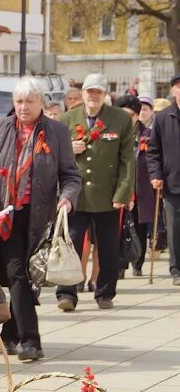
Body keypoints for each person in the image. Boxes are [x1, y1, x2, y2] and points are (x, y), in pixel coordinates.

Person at [0, 77, 81, 361]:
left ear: (41, 103)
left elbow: (70, 174)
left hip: (35, 217)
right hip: (1, 215)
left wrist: (67, 198)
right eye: (19, 101)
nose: (23, 107)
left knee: (19, 275)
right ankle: (25, 338)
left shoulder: (56, 132)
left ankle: (20, 337)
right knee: (15, 274)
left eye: (29, 102)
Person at [57, 73, 135, 311]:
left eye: (98, 92)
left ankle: (105, 293)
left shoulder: (120, 119)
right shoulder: (67, 119)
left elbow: (127, 160)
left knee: (109, 247)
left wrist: (123, 193)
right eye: (90, 91)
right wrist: (70, 149)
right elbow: (56, 156)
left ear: (105, 95)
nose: (93, 96)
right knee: (70, 245)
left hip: (107, 195)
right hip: (76, 196)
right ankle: (67, 294)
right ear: (83, 94)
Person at [146, 74, 180, 286]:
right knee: (175, 227)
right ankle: (176, 269)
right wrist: (156, 175)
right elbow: (153, 150)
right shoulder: (163, 117)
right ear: (174, 92)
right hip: (172, 182)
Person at [115, 95, 152, 278]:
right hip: (119, 188)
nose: (126, 119)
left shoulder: (147, 135)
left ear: (137, 116)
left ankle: (138, 263)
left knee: (139, 226)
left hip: (141, 188)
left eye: (130, 115)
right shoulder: (113, 133)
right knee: (120, 227)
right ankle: (120, 265)